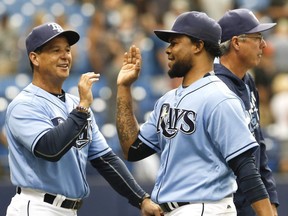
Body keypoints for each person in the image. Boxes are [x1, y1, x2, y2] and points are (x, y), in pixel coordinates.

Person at [115, 11, 274, 216]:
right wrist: (124, 89)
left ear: (198, 46)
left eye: (175, 43)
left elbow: (246, 168)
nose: (168, 50)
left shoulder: (220, 98)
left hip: (206, 207)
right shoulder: (167, 100)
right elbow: (133, 150)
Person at [5, 22, 163, 216]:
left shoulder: (74, 104)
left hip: (69, 209)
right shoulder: (24, 105)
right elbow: (49, 149)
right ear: (35, 58)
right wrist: (82, 108)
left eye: (67, 50)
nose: (65, 56)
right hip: (37, 206)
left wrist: (141, 199)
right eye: (56, 50)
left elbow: (105, 160)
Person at [215, 8, 279, 216]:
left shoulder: (248, 80)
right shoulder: (216, 88)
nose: (264, 44)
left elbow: (258, 144)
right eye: (257, 37)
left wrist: (271, 201)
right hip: (224, 204)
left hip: (252, 200)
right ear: (236, 42)